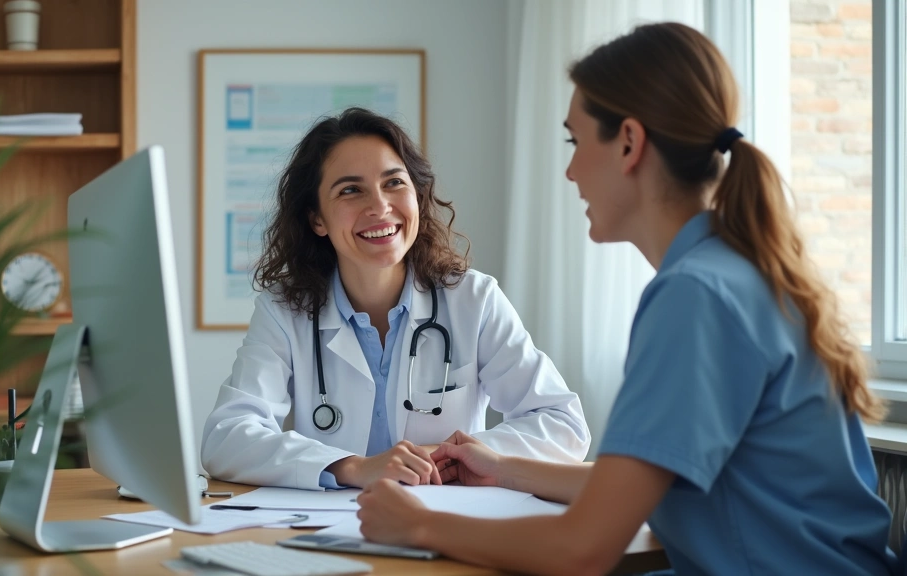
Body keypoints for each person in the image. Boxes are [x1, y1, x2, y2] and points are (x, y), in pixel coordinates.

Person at [355, 23, 898, 576]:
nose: (569, 171)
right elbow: (641, 487)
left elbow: (583, 548)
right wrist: (503, 468)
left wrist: (419, 525)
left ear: (630, 143)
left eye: (576, 141)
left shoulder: (694, 298)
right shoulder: (737, 271)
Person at [201, 108, 590, 491]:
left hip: (448, 523)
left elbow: (563, 424)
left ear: (417, 196)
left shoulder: (473, 299)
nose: (380, 207)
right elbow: (226, 437)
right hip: (328, 530)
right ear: (317, 219)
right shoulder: (284, 310)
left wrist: (449, 455)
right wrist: (353, 467)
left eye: (393, 183)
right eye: (350, 190)